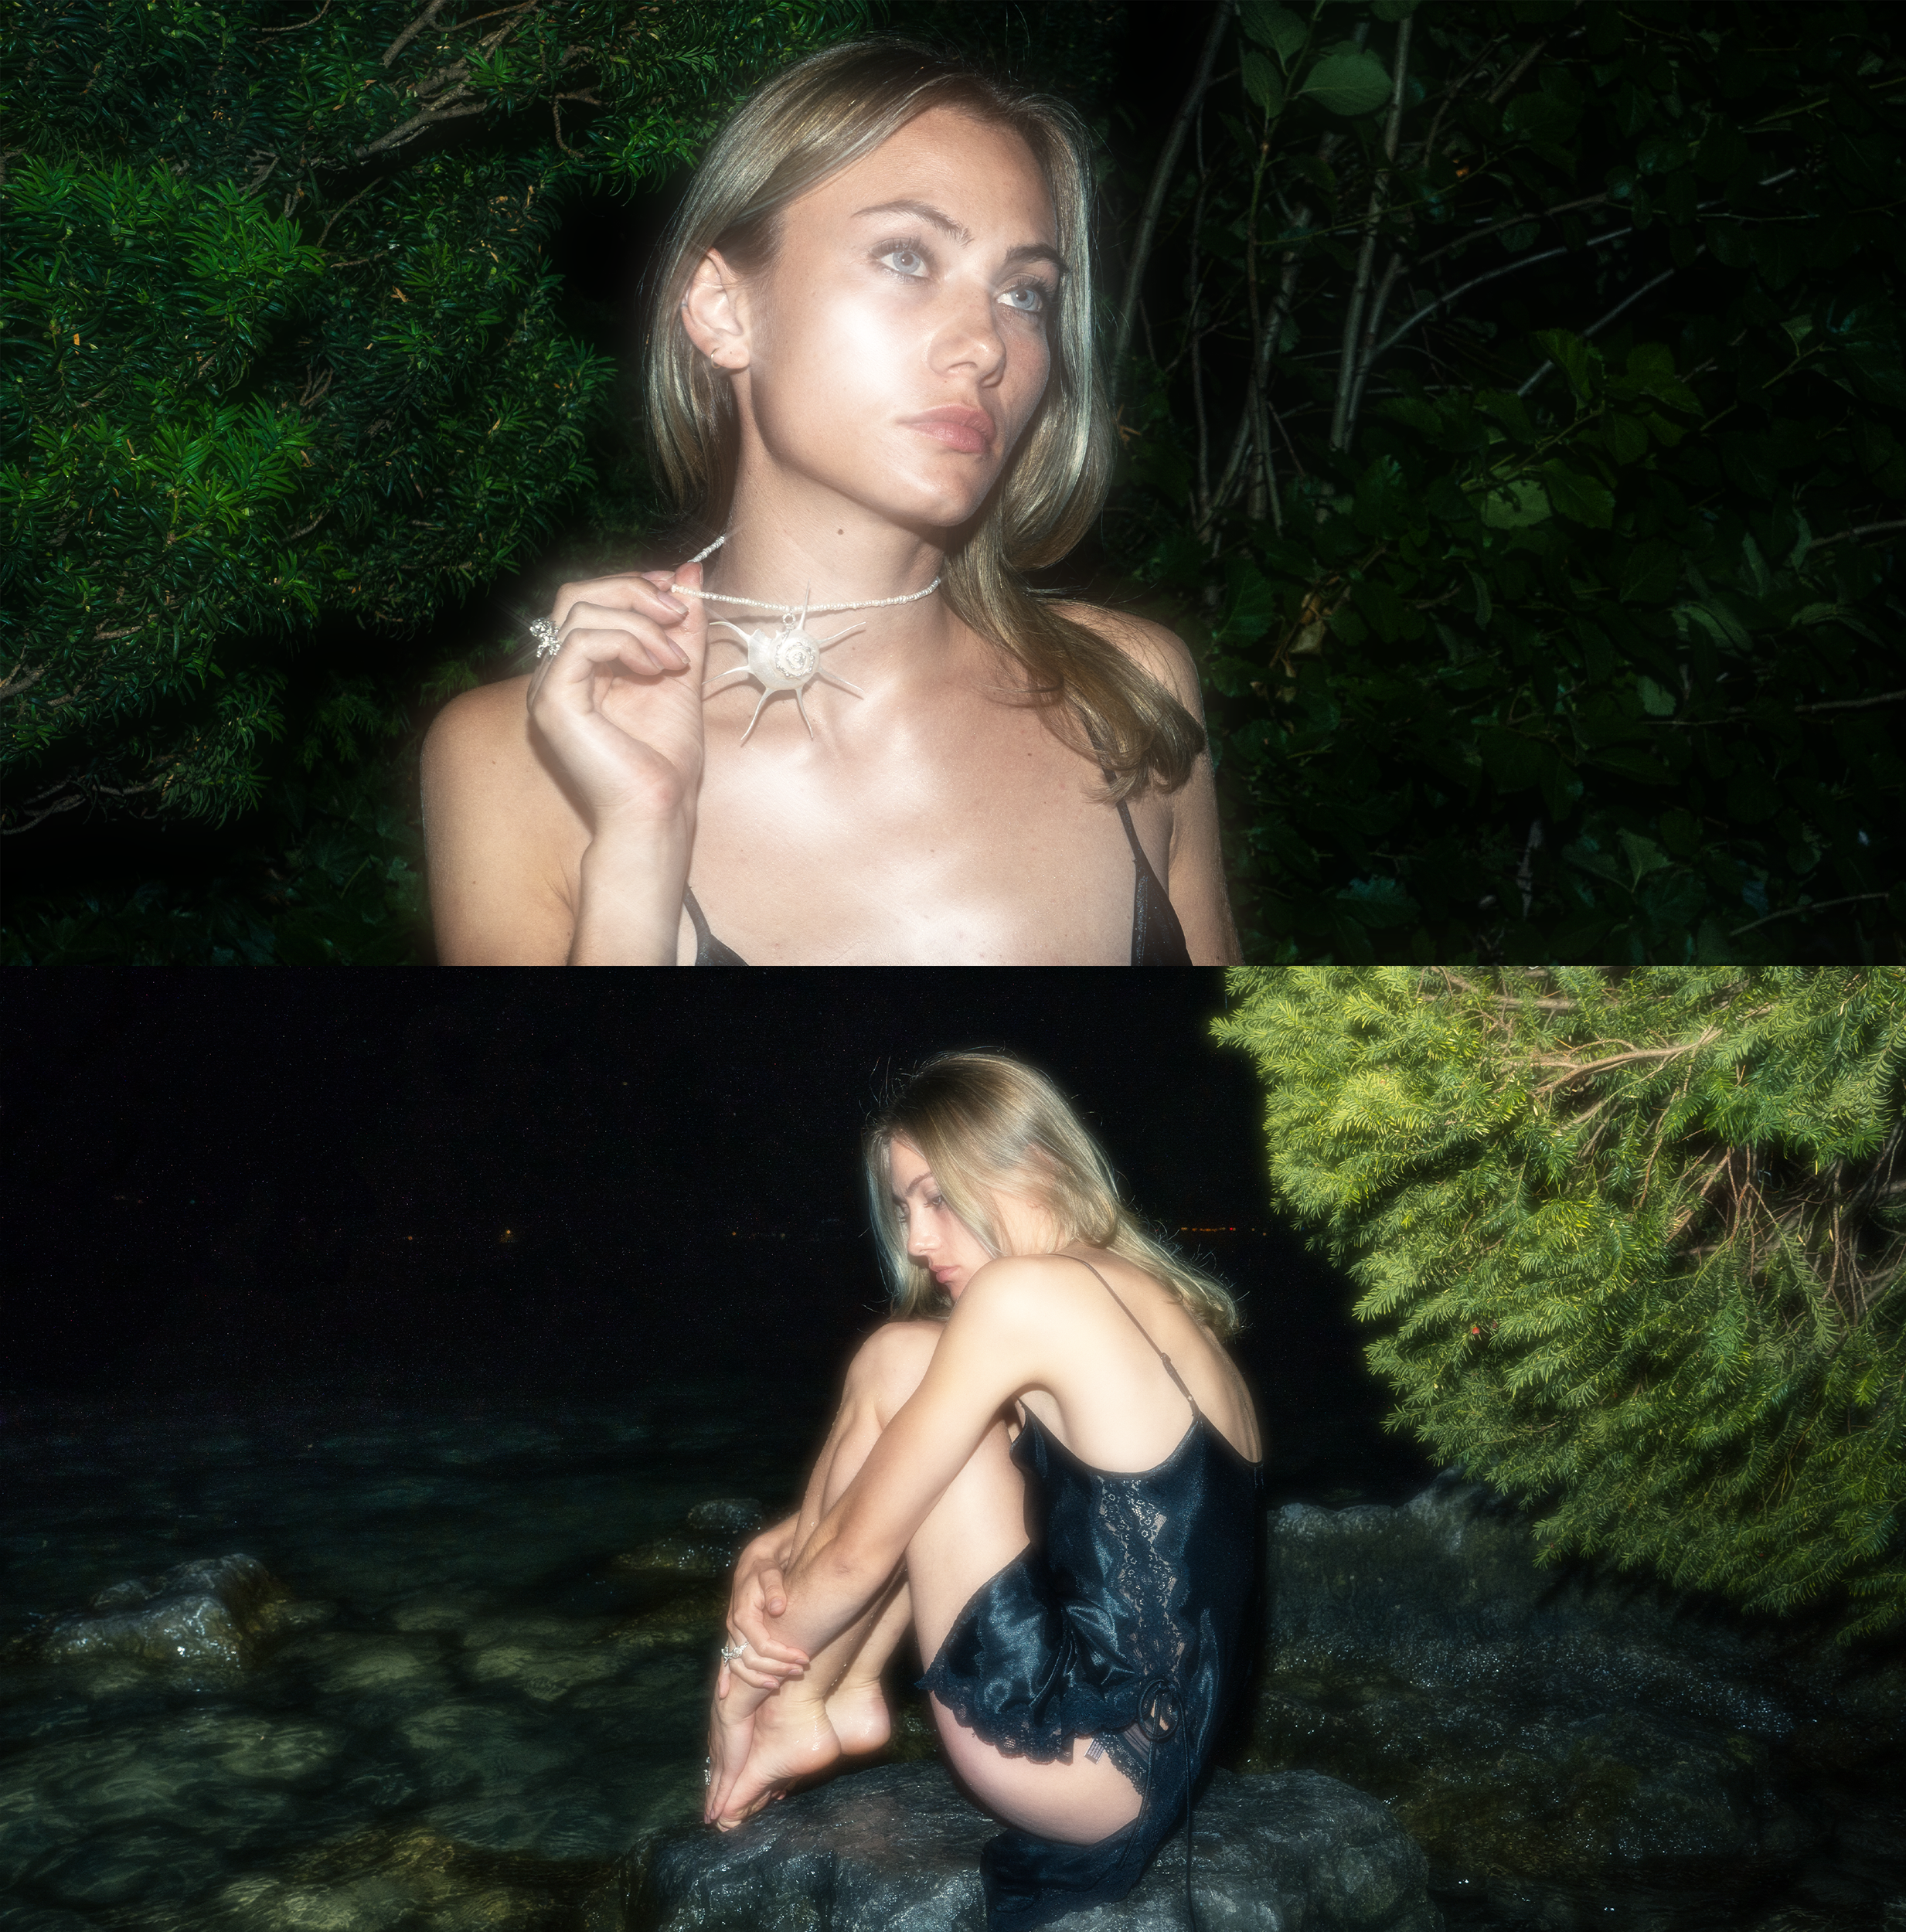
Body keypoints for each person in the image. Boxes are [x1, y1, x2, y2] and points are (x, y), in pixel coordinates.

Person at [420, 39, 1239, 964]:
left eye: (1024, 293)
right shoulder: (510, 760)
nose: (984, 346)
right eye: (904, 256)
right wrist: (640, 846)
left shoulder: (1129, 692)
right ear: (724, 308)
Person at [703, 1052, 1264, 1932]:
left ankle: (800, 1703)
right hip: (1155, 1753)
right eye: (902, 1208)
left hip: (1078, 1753)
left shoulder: (1021, 1297)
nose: (919, 1241)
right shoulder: (1143, 1302)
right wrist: (773, 1543)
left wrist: (738, 1689)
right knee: (907, 1363)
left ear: (1034, 1162)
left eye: (937, 1196)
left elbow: (861, 1549)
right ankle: (834, 1693)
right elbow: (932, 1461)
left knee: (895, 1355)